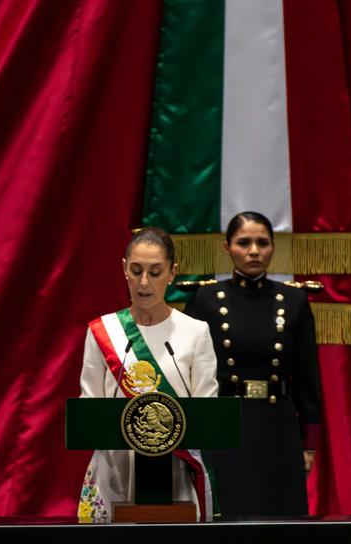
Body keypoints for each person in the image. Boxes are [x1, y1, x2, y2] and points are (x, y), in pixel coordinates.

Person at [77, 227, 218, 524]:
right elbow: (89, 411)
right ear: (124, 269)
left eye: (155, 272)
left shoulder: (196, 332)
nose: (144, 283)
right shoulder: (103, 332)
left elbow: (207, 415)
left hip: (174, 474)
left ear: (172, 273)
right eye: (136, 270)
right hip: (114, 472)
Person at [184, 211, 321, 517]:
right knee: (230, 514)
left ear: (274, 246)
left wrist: (308, 445)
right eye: (244, 242)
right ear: (226, 247)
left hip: (278, 424)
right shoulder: (205, 300)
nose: (254, 251)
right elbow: (190, 374)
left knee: (281, 516)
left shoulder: (293, 301)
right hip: (225, 425)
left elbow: (307, 378)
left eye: (263, 242)